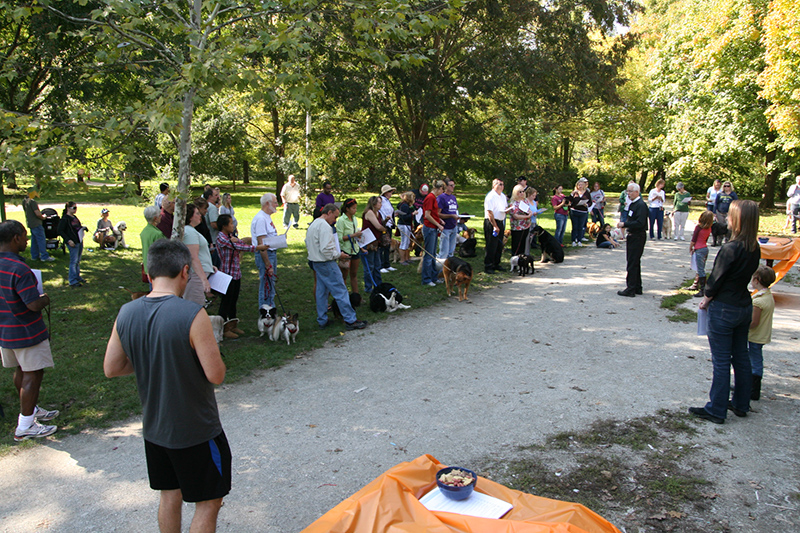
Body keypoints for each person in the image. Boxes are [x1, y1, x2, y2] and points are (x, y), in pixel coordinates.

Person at [103, 239, 230, 532]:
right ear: (185, 271)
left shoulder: (127, 312)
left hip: (156, 430)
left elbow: (112, 368)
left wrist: (155, 360)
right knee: (209, 502)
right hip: (196, 430)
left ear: (149, 273)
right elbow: (216, 374)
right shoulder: (192, 314)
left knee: (170, 495)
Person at [691, 200, 761, 424]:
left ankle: (716, 408)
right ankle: (741, 403)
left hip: (725, 308)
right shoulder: (754, 247)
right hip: (743, 306)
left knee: (721, 360)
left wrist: (706, 299)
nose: (726, 220)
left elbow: (715, 279)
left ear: (738, 220)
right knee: (741, 356)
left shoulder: (730, 249)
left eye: (730, 216)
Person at [0, 220, 59, 441]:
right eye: (24, 236)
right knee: (33, 373)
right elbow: (32, 304)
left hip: (5, 330)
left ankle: (31, 410)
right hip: (26, 332)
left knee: (20, 370)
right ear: (16, 238)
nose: (26, 240)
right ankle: (25, 425)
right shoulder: (20, 268)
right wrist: (44, 298)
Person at [307, 204, 369, 331]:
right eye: (335, 217)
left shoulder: (313, 224)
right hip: (326, 262)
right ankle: (350, 320)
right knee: (340, 290)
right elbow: (326, 249)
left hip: (316, 261)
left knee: (321, 291)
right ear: (329, 212)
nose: (335, 220)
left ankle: (322, 319)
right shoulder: (325, 226)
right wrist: (339, 255)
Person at [216, 214, 267, 332]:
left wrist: (237, 240)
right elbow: (241, 247)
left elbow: (240, 243)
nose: (233, 226)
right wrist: (259, 247)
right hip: (227, 275)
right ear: (224, 226)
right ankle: (223, 328)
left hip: (236, 273)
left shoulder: (230, 236)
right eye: (230, 223)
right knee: (226, 302)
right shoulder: (222, 238)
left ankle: (232, 325)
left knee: (233, 301)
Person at [748, 265, 775, 402]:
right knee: (755, 359)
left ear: (757, 280)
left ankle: (753, 388)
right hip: (763, 334)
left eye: (752, 279)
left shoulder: (758, 301)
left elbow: (754, 322)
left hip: (755, 336)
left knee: (754, 360)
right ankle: (750, 385)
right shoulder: (768, 296)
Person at [616, 183, 648, 297]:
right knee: (633, 261)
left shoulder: (641, 205)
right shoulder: (633, 204)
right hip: (632, 235)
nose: (628, 194)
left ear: (637, 192)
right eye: (627, 191)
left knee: (632, 262)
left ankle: (630, 288)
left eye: (630, 191)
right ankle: (637, 287)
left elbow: (640, 223)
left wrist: (625, 224)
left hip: (637, 236)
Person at [182, 204, 216, 306]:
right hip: (195, 276)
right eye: (197, 213)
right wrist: (204, 280)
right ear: (190, 217)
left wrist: (210, 266)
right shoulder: (189, 232)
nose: (200, 215)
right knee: (196, 307)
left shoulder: (192, 231)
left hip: (198, 274)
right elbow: (193, 257)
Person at [251, 193, 279, 308]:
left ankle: (270, 308)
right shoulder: (261, 219)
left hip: (271, 253)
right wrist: (268, 264)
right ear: (267, 203)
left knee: (270, 284)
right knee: (266, 285)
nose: (277, 205)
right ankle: (266, 312)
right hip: (266, 255)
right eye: (275, 202)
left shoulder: (266, 217)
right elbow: (261, 244)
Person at [335, 198, 363, 294]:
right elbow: (340, 238)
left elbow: (355, 234)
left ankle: (356, 295)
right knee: (343, 276)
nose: (355, 210)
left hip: (355, 249)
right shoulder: (341, 220)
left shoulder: (354, 219)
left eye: (356, 208)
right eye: (353, 208)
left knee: (354, 274)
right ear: (347, 209)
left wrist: (358, 237)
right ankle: (343, 295)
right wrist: (353, 235)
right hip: (345, 250)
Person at [58, 201, 87, 288]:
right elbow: (60, 231)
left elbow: (76, 228)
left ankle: (77, 276)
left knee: (78, 260)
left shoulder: (74, 217)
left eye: (76, 208)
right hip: (72, 242)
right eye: (73, 208)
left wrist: (83, 228)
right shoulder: (65, 219)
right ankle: (72, 280)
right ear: (68, 208)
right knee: (73, 261)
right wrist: (68, 240)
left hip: (79, 240)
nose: (75, 210)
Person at [22, 188, 55, 262]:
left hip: (30, 223)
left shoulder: (24, 201)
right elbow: (37, 214)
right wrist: (43, 217)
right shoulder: (32, 202)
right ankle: (44, 256)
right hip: (36, 223)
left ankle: (34, 256)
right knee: (41, 240)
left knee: (34, 240)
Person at [422, 180, 445, 287]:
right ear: (439, 188)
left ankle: (433, 276)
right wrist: (438, 224)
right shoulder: (430, 198)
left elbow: (433, 213)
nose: (443, 192)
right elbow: (427, 215)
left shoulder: (433, 198)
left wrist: (439, 220)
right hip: (430, 228)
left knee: (433, 254)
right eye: (442, 190)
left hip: (433, 227)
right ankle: (426, 279)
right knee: (429, 254)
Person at [361, 196, 385, 293]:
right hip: (368, 242)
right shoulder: (369, 213)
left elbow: (380, 224)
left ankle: (378, 285)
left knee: (377, 265)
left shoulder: (378, 213)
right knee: (369, 267)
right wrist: (385, 230)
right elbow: (378, 226)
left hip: (376, 242)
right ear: (374, 204)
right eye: (379, 202)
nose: (381, 204)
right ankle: (368, 287)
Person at [483, 179, 508, 273]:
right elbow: (489, 212)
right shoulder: (490, 196)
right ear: (494, 185)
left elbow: (504, 207)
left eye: (503, 184)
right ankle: (488, 265)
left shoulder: (503, 196)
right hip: (492, 221)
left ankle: (496, 263)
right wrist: (495, 226)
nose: (501, 186)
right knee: (491, 244)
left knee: (499, 244)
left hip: (501, 220)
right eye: (499, 184)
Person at [689, 211, 714, 297]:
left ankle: (702, 289)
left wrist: (691, 247)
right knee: (701, 267)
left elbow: (694, 239)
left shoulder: (698, 228)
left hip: (698, 249)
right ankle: (696, 284)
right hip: (705, 248)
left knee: (700, 270)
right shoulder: (709, 228)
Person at [140, 205, 165, 287]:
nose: (161, 217)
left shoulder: (144, 231)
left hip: (148, 266)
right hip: (158, 268)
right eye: (160, 215)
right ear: (155, 218)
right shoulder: (157, 234)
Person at [437, 179, 460, 259]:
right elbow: (438, 213)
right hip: (445, 227)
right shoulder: (441, 198)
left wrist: (456, 218)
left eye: (454, 185)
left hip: (453, 226)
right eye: (451, 185)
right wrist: (451, 216)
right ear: (445, 186)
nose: (453, 187)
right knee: (444, 251)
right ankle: (441, 268)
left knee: (451, 251)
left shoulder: (453, 197)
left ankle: (450, 266)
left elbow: (455, 210)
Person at [508, 184, 532, 257]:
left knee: (523, 244)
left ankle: (522, 260)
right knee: (516, 244)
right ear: (515, 192)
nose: (522, 193)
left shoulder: (525, 201)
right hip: (517, 226)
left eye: (523, 191)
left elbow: (529, 210)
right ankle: (515, 261)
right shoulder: (513, 203)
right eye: (520, 192)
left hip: (526, 225)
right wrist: (526, 216)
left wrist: (530, 214)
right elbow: (515, 216)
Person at [378, 185, 397, 273]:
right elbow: (381, 212)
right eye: (390, 192)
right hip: (384, 224)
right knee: (382, 245)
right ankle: (380, 265)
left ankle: (387, 264)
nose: (391, 194)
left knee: (387, 245)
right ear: (385, 192)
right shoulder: (381, 201)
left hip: (389, 225)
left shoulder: (387, 201)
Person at [569, 177, 592, 247]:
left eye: (582, 185)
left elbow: (590, 202)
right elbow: (569, 201)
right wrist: (571, 195)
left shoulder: (587, 193)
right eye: (579, 185)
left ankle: (579, 240)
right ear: (577, 185)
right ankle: (573, 240)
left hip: (583, 211)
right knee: (574, 226)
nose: (580, 186)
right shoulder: (575, 192)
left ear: (584, 185)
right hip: (574, 210)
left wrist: (587, 204)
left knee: (581, 226)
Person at [396, 192, 417, 265]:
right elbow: (403, 217)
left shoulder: (408, 205)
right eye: (413, 197)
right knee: (404, 242)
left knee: (407, 242)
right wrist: (412, 214)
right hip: (404, 224)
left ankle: (406, 258)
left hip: (407, 225)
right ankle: (402, 260)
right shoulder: (404, 206)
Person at [524, 187, 546, 255]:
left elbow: (535, 210)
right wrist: (532, 213)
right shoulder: (526, 201)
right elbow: (526, 211)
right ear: (529, 194)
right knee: (527, 238)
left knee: (531, 237)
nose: (534, 197)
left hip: (534, 220)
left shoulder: (533, 202)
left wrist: (539, 211)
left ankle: (528, 251)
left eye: (535, 196)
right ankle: (526, 252)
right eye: (533, 195)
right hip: (528, 221)